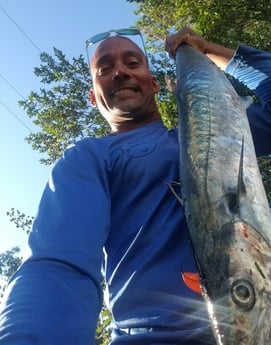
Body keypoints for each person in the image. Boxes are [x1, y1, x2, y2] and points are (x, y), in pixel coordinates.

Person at [0, 26, 270, 345]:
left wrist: (209, 49)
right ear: (92, 96)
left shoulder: (217, 132)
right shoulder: (89, 157)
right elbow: (59, 265)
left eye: (132, 63)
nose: (119, 72)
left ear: (154, 84)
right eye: (104, 68)